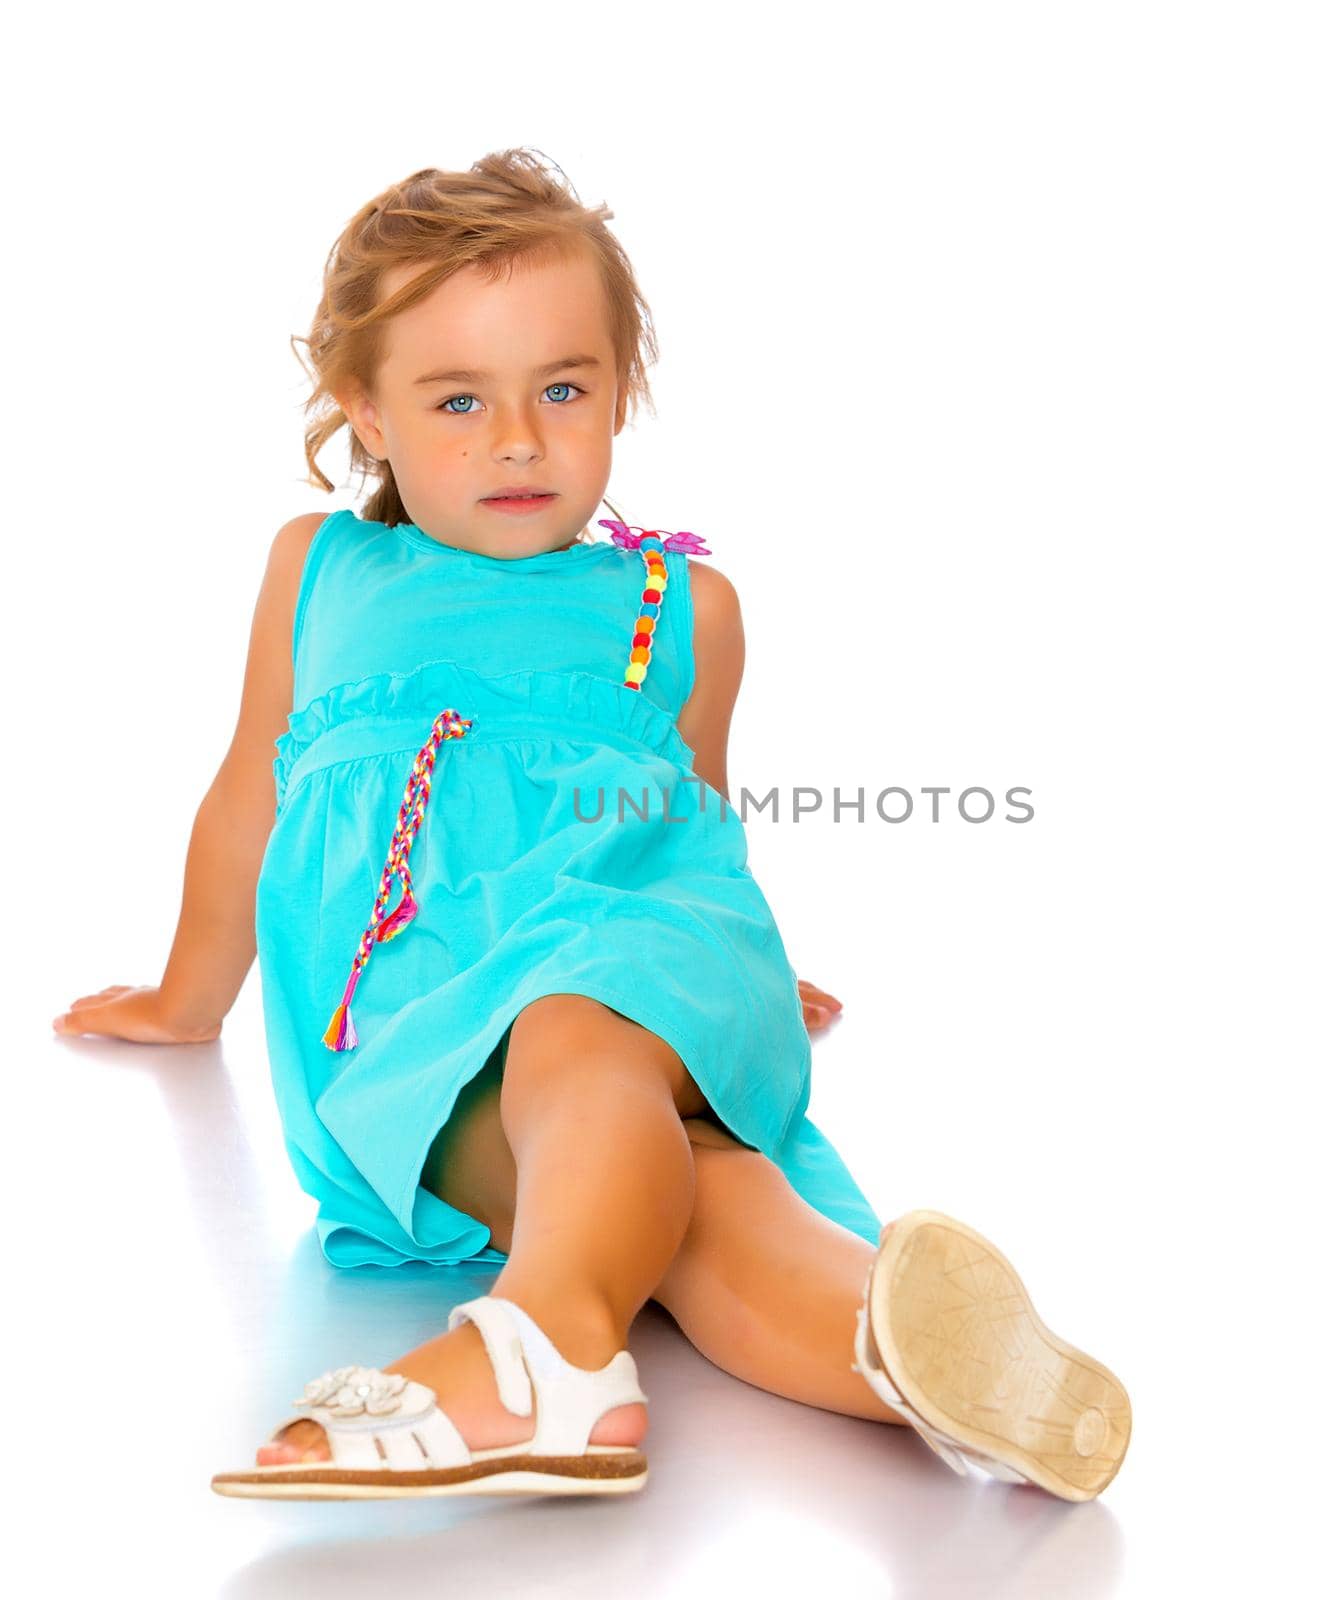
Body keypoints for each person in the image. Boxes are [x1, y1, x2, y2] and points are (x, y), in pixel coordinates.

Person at [51, 146, 1131, 1503]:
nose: (518, 437)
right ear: (366, 414)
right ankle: (914, 1361)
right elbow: (246, 796)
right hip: (420, 1027)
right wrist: (184, 997)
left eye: (563, 389)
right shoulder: (321, 570)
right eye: (458, 399)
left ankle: (548, 1353)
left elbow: (696, 826)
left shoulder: (681, 610)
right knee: (684, 1209)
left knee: (581, 1026)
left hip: (631, 964)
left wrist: (727, 984)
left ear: (621, 388)